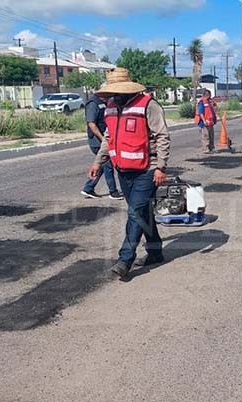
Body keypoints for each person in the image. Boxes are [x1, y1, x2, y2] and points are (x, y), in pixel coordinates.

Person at [88, 68, 170, 279]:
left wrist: (161, 166)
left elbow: (162, 136)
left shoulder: (148, 105)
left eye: (117, 91)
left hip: (147, 170)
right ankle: (155, 251)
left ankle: (125, 259)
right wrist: (98, 162)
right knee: (142, 213)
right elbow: (108, 138)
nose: (113, 95)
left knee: (135, 213)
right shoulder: (112, 107)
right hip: (122, 170)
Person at [81, 92, 122, 200]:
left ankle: (88, 188)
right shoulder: (93, 104)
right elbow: (91, 124)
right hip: (97, 141)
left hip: (103, 139)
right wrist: (103, 138)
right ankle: (113, 192)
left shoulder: (105, 102)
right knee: (108, 164)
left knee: (102, 165)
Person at [197, 90, 216, 154]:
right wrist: (204, 121)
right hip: (204, 122)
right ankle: (205, 149)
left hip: (210, 122)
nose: (210, 96)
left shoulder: (209, 102)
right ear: (206, 95)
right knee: (206, 136)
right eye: (209, 94)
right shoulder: (201, 102)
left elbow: (213, 110)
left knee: (211, 135)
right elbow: (201, 113)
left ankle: (211, 147)